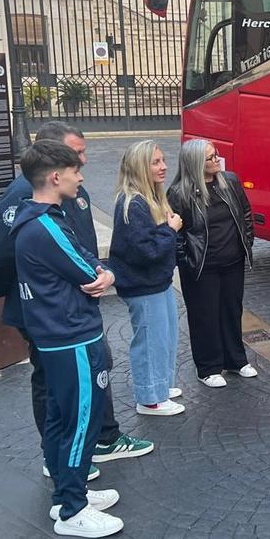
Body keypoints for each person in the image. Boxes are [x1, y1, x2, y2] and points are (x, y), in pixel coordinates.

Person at [0, 122, 153, 476]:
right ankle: (58, 459)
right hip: (46, 312)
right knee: (53, 382)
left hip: (79, 307)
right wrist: (12, 293)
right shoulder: (23, 194)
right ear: (53, 162)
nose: (84, 163)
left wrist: (99, 273)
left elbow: (81, 245)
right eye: (77, 155)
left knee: (96, 367)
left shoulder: (76, 190)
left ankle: (103, 439)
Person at [11, 141, 122, 538]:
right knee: (81, 421)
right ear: (56, 176)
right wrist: (106, 274)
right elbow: (87, 269)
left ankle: (66, 495)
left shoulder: (36, 220)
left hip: (57, 335)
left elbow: (82, 259)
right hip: (72, 336)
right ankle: (73, 508)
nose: (81, 177)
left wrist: (99, 269)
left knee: (61, 417)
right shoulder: (45, 226)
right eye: (75, 171)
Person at [168, 139, 259, 389]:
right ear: (196, 163)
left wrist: (246, 244)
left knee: (232, 310)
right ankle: (208, 368)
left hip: (232, 260)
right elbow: (175, 233)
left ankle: (236, 360)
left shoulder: (229, 181)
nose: (217, 159)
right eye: (210, 157)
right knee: (204, 316)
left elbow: (246, 213)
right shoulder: (178, 193)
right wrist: (186, 260)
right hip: (201, 266)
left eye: (216, 154)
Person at [109, 141, 184, 416]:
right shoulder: (133, 204)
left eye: (163, 160)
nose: (163, 166)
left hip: (156, 282)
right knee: (151, 341)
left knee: (165, 337)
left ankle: (160, 386)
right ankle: (150, 397)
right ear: (141, 166)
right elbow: (147, 250)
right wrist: (171, 229)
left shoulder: (147, 199)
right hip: (143, 285)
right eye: (155, 162)